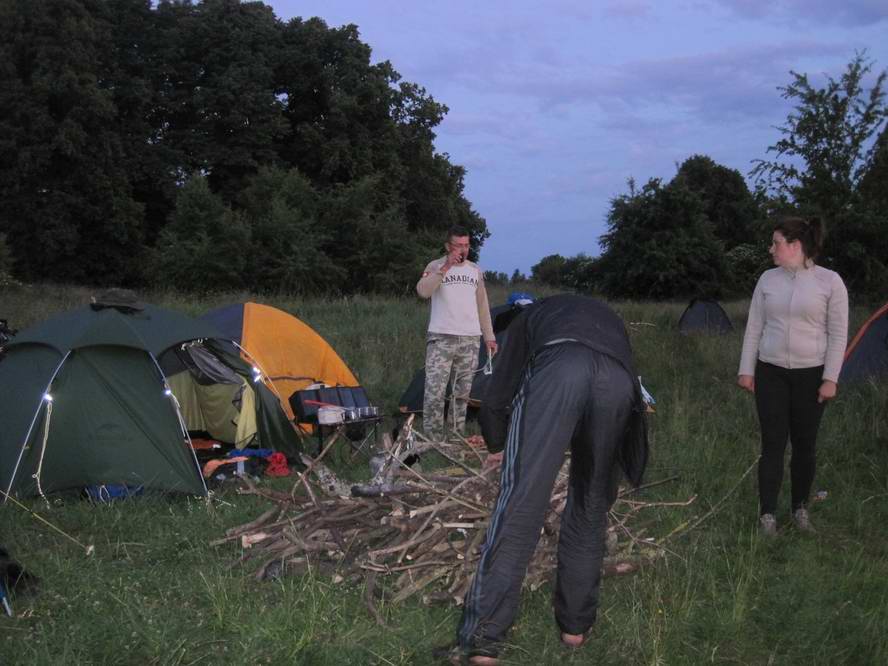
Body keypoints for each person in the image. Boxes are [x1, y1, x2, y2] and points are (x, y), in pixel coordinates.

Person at [451, 294, 649, 665]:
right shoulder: (604, 313)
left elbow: (497, 395)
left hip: (561, 369)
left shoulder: (529, 320)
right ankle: (574, 628)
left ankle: (484, 640)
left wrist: (497, 444)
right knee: (591, 504)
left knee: (521, 504)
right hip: (618, 383)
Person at [738, 216, 848, 536]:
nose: (771, 249)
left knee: (804, 446)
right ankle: (767, 515)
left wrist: (831, 378)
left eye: (776, 243)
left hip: (811, 375)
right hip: (770, 372)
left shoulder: (830, 282)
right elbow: (754, 327)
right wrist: (747, 369)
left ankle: (800, 509)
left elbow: (838, 334)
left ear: (795, 246)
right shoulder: (767, 280)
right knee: (772, 445)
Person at [416, 226, 497, 443]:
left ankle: (455, 437)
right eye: (458, 245)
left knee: (461, 394)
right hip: (441, 337)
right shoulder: (435, 266)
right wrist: (445, 267)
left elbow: (482, 306)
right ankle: (433, 439)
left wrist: (489, 336)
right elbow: (423, 291)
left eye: (466, 245)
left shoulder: (475, 271)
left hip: (470, 339)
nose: (463, 249)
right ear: (448, 246)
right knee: (434, 391)